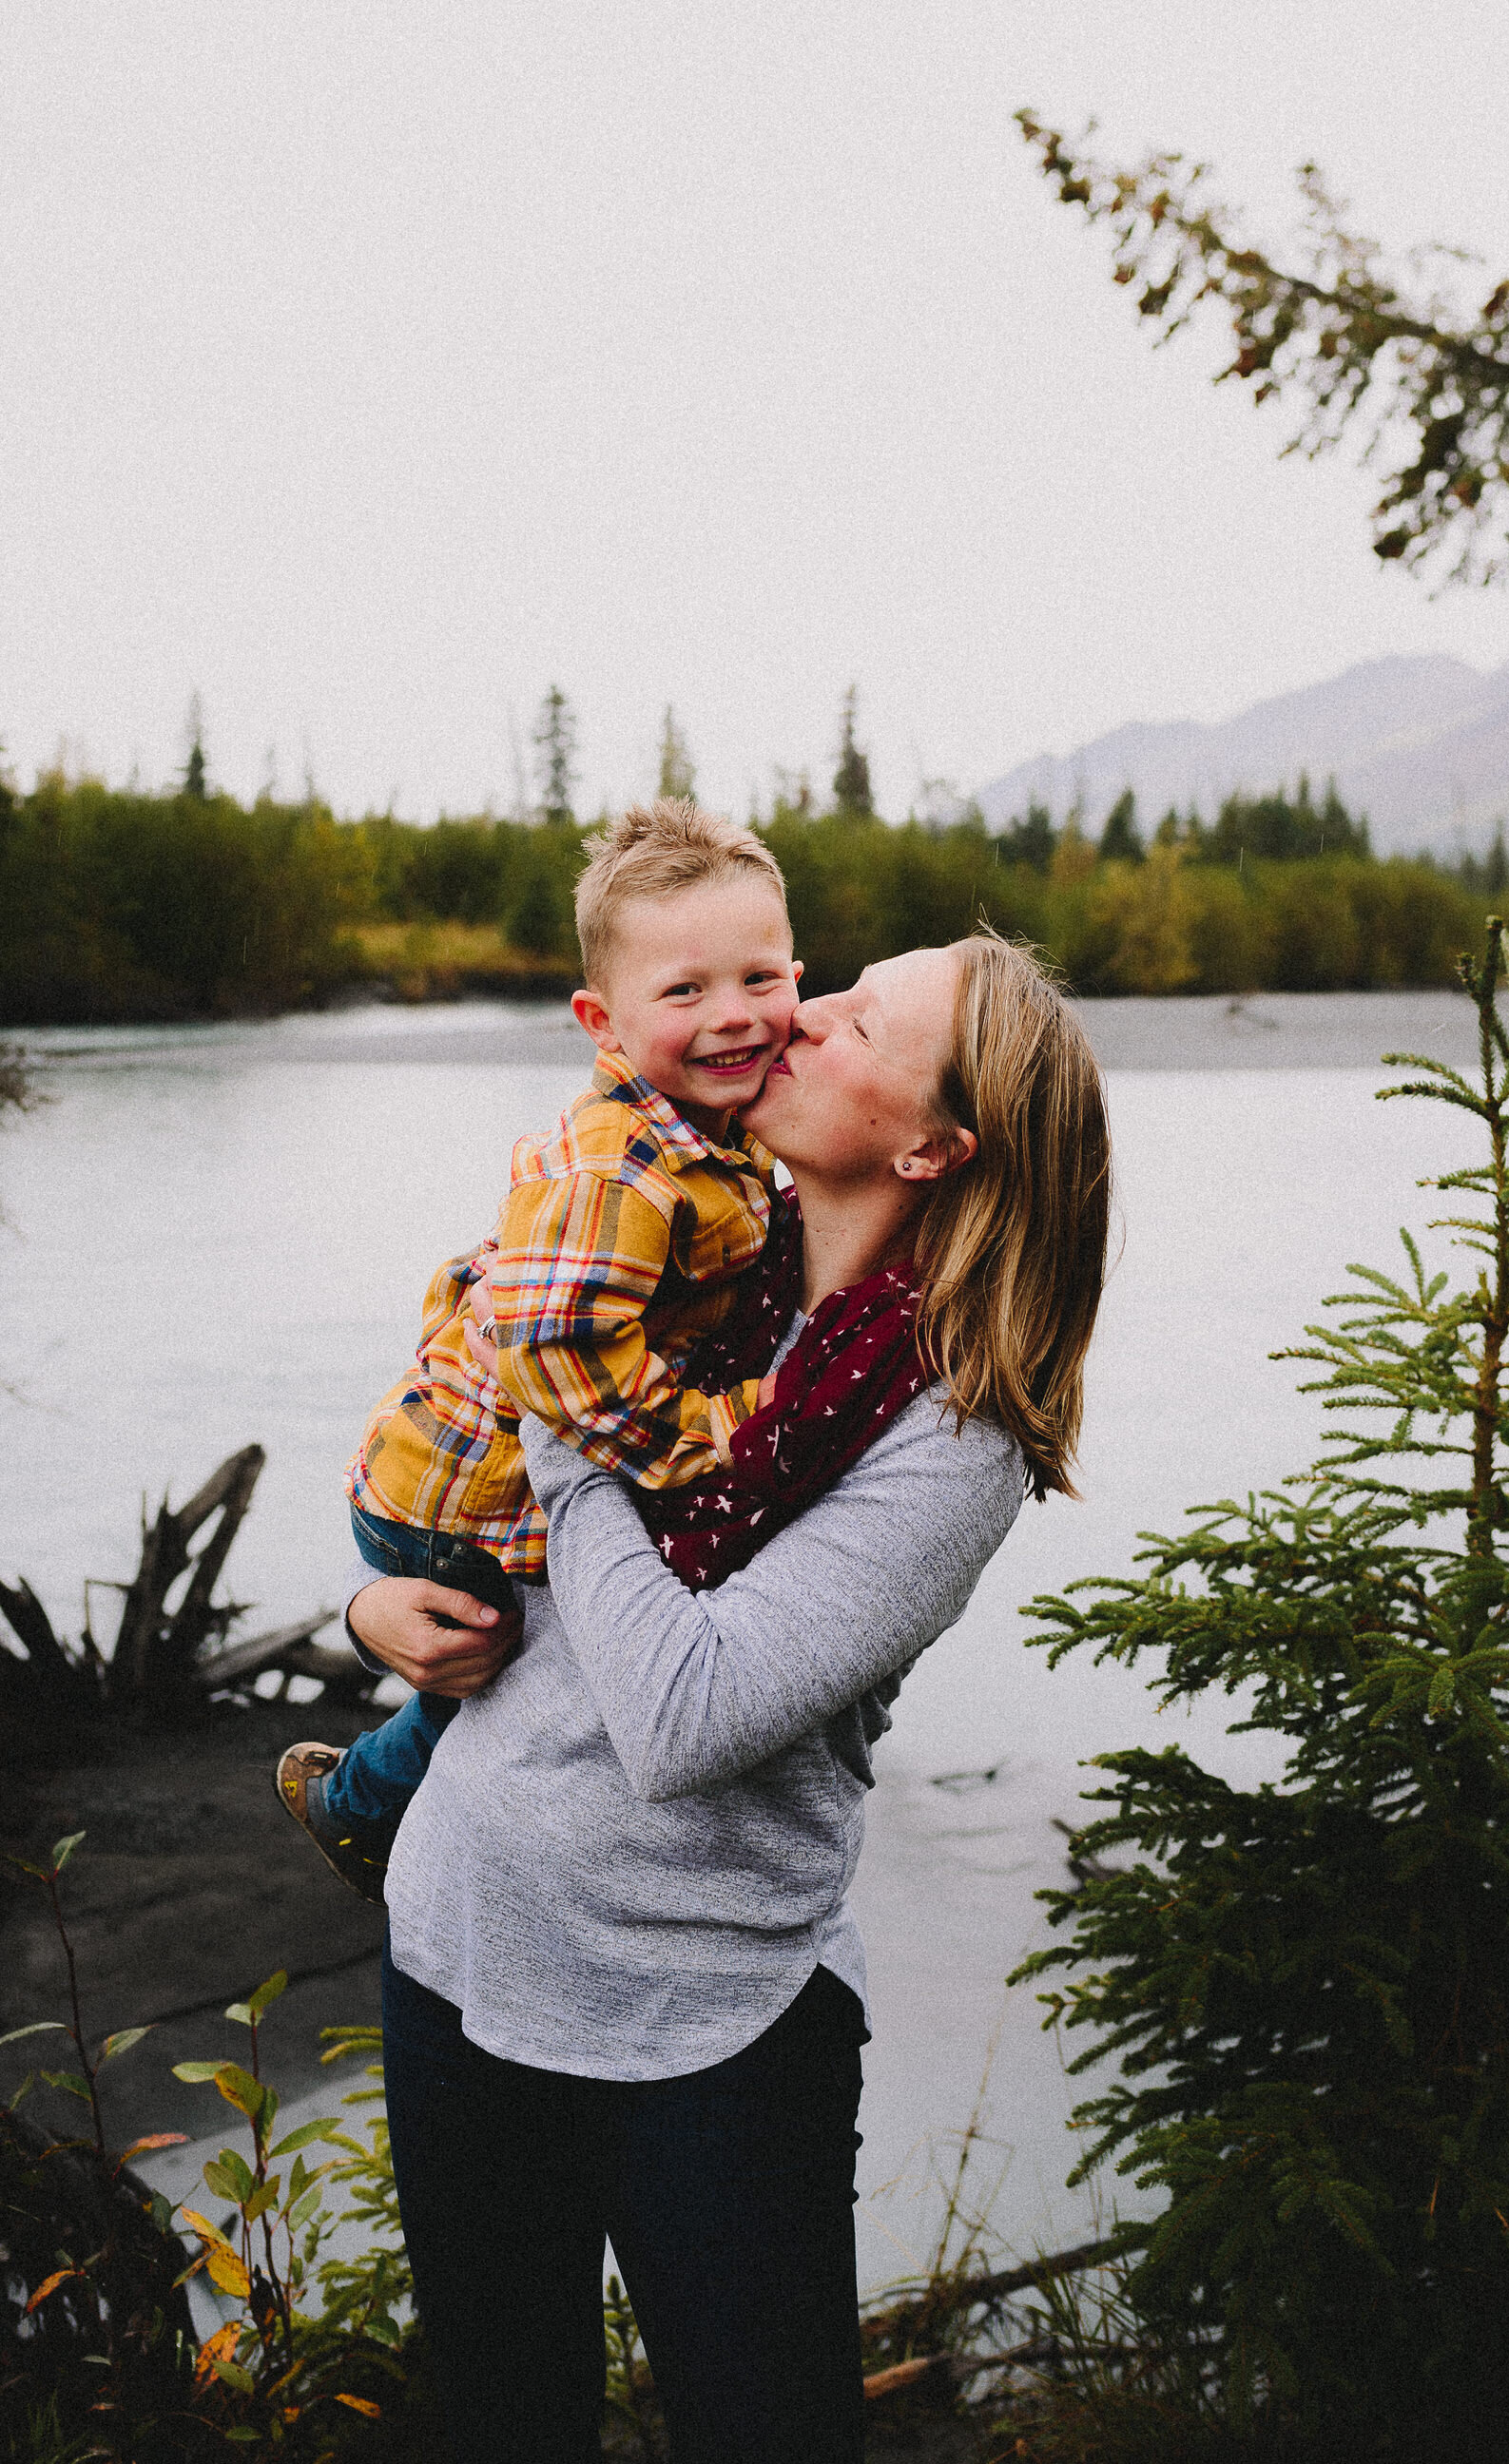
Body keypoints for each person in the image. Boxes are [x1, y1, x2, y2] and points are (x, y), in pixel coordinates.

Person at [345, 932, 1112, 2464]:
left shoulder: (948, 1429)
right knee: (506, 2425)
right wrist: (372, 1604)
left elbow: (680, 1717)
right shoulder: (674, 1247)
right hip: (458, 1951)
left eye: (852, 1019)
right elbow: (450, 1435)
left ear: (932, 1142)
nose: (792, 1018)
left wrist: (566, 1414)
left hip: (709, 2024)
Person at [276, 798, 803, 1896]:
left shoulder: (710, 1134)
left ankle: (361, 1798)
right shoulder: (617, 1168)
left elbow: (484, 1283)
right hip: (456, 1508)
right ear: (601, 1023)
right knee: (500, 1669)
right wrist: (708, 1450)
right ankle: (360, 1808)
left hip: (459, 1468)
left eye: (762, 977)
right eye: (685, 991)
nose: (735, 1015)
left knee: (481, 1677)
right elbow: (556, 1347)